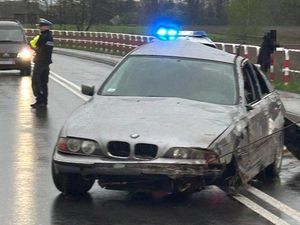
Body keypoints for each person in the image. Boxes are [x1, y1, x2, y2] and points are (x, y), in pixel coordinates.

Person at [30, 18, 54, 108]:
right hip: (46, 63)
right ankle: (44, 101)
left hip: (40, 62)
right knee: (44, 82)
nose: (40, 28)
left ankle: (40, 101)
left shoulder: (43, 36)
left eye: (41, 26)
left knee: (36, 81)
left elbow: (38, 48)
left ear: (46, 26)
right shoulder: (50, 36)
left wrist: (33, 48)